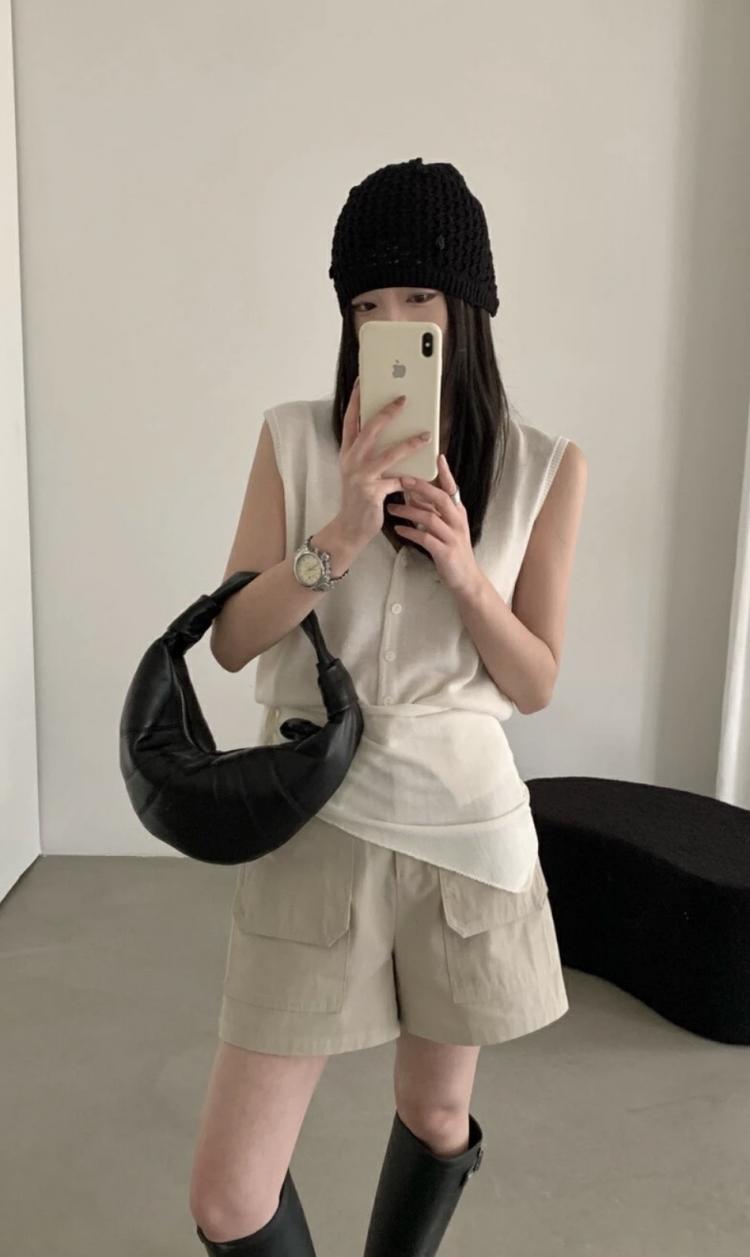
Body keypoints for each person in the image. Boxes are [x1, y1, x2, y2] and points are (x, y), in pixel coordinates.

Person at [189, 156, 588, 1255]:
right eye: (368, 304)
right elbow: (230, 640)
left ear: (469, 308)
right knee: (230, 1192)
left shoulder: (543, 466)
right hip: (317, 821)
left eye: (419, 297)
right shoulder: (293, 439)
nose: (393, 323)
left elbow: (535, 681)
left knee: (436, 1115)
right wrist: (339, 538)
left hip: (469, 842)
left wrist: (464, 571)